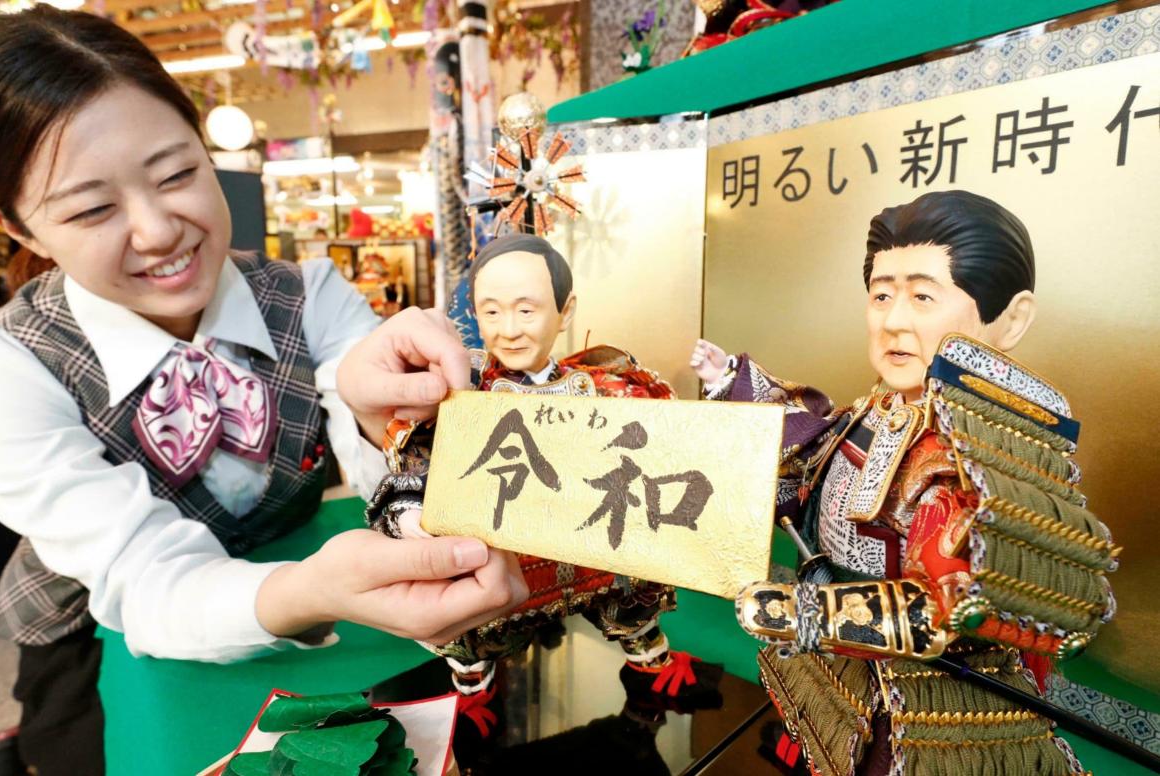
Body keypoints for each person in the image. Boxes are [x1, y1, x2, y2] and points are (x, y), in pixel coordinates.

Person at [0, 9, 525, 775]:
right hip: (98, 645)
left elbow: (384, 460)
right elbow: (142, 580)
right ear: (18, 228)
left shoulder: (309, 294)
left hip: (328, 602)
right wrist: (310, 587)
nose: (157, 231)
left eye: (177, 173)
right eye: (91, 209)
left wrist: (394, 424)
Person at [691, 191, 1117, 775]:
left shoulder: (979, 451)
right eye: (881, 294)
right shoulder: (881, 408)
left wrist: (807, 614)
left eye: (922, 296)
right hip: (846, 681)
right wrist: (738, 386)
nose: (893, 320)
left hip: (933, 708)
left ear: (1009, 319)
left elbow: (948, 603)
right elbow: (811, 461)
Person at [366, 234, 714, 725]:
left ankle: (649, 656)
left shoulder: (605, 383)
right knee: (474, 627)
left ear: (564, 311)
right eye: (491, 312)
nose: (508, 330)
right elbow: (417, 463)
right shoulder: (454, 397)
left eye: (526, 311)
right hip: (501, 556)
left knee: (631, 590)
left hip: (594, 541)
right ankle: (473, 685)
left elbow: (658, 445)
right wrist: (413, 512)